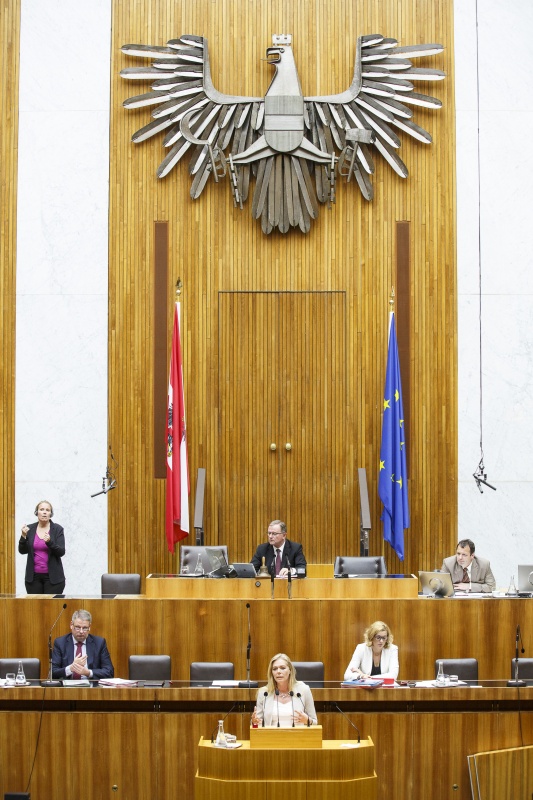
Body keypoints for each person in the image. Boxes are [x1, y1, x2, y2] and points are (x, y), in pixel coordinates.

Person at [252, 653, 317, 727]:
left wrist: (308, 720)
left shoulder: (303, 690)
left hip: (298, 734)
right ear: (271, 672)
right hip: (271, 734)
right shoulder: (264, 693)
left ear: (290, 670)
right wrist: (254, 722)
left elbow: (315, 722)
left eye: (282, 668)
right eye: (275, 669)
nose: (278, 671)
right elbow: (257, 723)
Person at [19, 500, 66, 594]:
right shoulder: (30, 529)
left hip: (53, 579)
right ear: (37, 512)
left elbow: (61, 552)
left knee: (51, 603)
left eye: (47, 510)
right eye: (42, 509)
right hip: (33, 578)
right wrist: (23, 536)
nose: (44, 512)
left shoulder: (57, 529)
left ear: (50, 514)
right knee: (35, 603)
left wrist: (49, 542)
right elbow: (22, 551)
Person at [52, 609, 114, 680]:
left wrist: (88, 673)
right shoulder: (60, 643)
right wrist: (71, 668)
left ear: (89, 627)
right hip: (68, 686)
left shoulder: (99, 643)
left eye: (85, 628)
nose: (81, 631)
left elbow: (109, 672)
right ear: (71, 625)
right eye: (78, 627)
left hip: (91, 686)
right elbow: (53, 672)